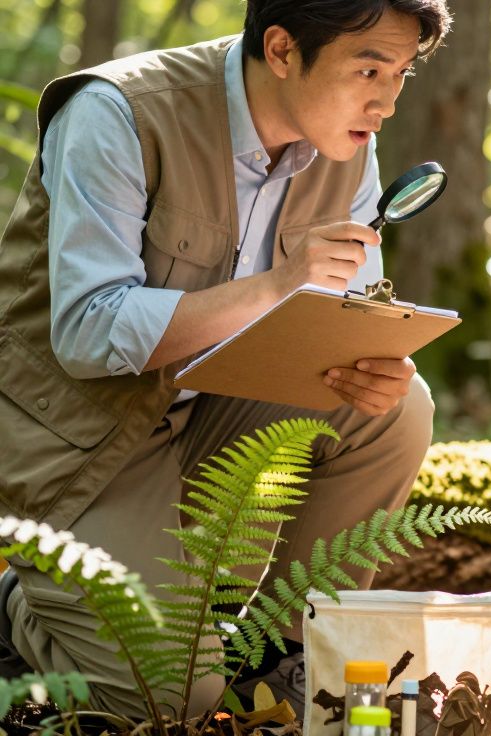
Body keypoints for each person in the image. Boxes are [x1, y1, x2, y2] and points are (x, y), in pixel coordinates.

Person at [0, 0, 450, 717]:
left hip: (211, 411)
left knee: (396, 407)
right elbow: (87, 331)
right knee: (170, 696)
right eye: (369, 69)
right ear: (280, 50)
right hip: (81, 441)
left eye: (401, 73)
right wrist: (276, 285)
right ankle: (18, 603)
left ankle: (282, 655)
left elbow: (345, 312)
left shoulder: (348, 145)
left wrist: (368, 359)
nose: (388, 99)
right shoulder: (117, 113)